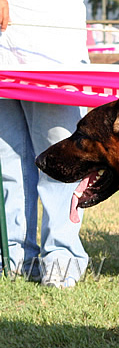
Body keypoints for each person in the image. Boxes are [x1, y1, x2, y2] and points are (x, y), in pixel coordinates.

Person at [0, 0, 89, 288]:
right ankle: (15, 258)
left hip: (51, 35)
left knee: (61, 157)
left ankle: (61, 260)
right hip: (4, 43)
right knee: (8, 160)